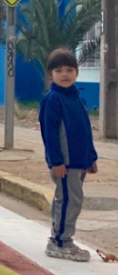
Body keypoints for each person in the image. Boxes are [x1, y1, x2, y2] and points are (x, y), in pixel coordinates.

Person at [39, 48, 98, 261]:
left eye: (69, 69)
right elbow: (50, 133)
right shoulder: (53, 99)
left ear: (77, 72)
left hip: (78, 162)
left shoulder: (77, 99)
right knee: (68, 201)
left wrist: (91, 157)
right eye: (58, 70)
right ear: (50, 74)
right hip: (64, 163)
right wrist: (56, 161)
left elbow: (84, 130)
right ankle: (60, 241)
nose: (65, 74)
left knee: (69, 199)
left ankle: (62, 238)